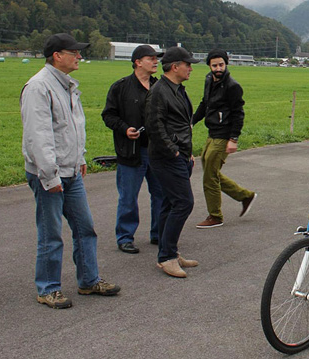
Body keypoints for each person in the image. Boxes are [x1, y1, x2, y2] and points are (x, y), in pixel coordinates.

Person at [20, 33, 120, 309]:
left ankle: (89, 280)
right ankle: (48, 288)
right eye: (74, 52)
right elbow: (38, 137)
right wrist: (49, 176)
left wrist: (80, 158)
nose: (79, 57)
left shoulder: (67, 86)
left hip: (71, 170)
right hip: (49, 175)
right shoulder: (39, 87)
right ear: (57, 56)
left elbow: (71, 129)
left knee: (85, 227)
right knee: (51, 233)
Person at [102, 45, 164, 254]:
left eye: (157, 59)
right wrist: (124, 129)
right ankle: (125, 237)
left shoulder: (160, 87)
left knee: (160, 194)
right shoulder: (120, 87)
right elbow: (108, 115)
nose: (155, 62)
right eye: (151, 58)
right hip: (131, 151)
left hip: (156, 151)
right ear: (137, 62)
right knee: (128, 196)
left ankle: (158, 233)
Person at [144, 46, 200, 278]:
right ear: (175, 66)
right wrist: (175, 152)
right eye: (187, 64)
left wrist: (187, 153)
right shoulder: (159, 91)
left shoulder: (177, 90)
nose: (190, 68)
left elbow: (182, 124)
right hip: (167, 158)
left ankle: (170, 252)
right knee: (184, 203)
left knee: (170, 204)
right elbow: (154, 126)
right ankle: (166, 257)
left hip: (180, 156)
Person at [192, 49, 257, 229]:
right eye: (215, 65)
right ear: (209, 66)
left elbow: (238, 114)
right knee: (210, 171)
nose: (218, 68)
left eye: (221, 64)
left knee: (209, 177)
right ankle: (245, 196)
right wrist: (192, 121)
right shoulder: (208, 80)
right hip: (212, 132)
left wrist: (233, 139)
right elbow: (204, 103)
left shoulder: (232, 86)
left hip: (224, 135)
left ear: (226, 64)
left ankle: (215, 216)